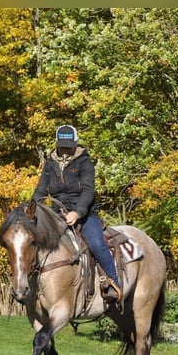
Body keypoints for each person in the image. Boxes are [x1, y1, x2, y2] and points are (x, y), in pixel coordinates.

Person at [31, 124, 123, 303]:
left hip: (85, 213)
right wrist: (30, 208)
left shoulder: (84, 162)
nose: (65, 149)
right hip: (57, 214)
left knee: (97, 244)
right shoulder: (50, 163)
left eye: (68, 145)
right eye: (62, 144)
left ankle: (113, 283)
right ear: (57, 143)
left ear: (75, 143)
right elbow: (41, 190)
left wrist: (77, 212)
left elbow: (88, 191)